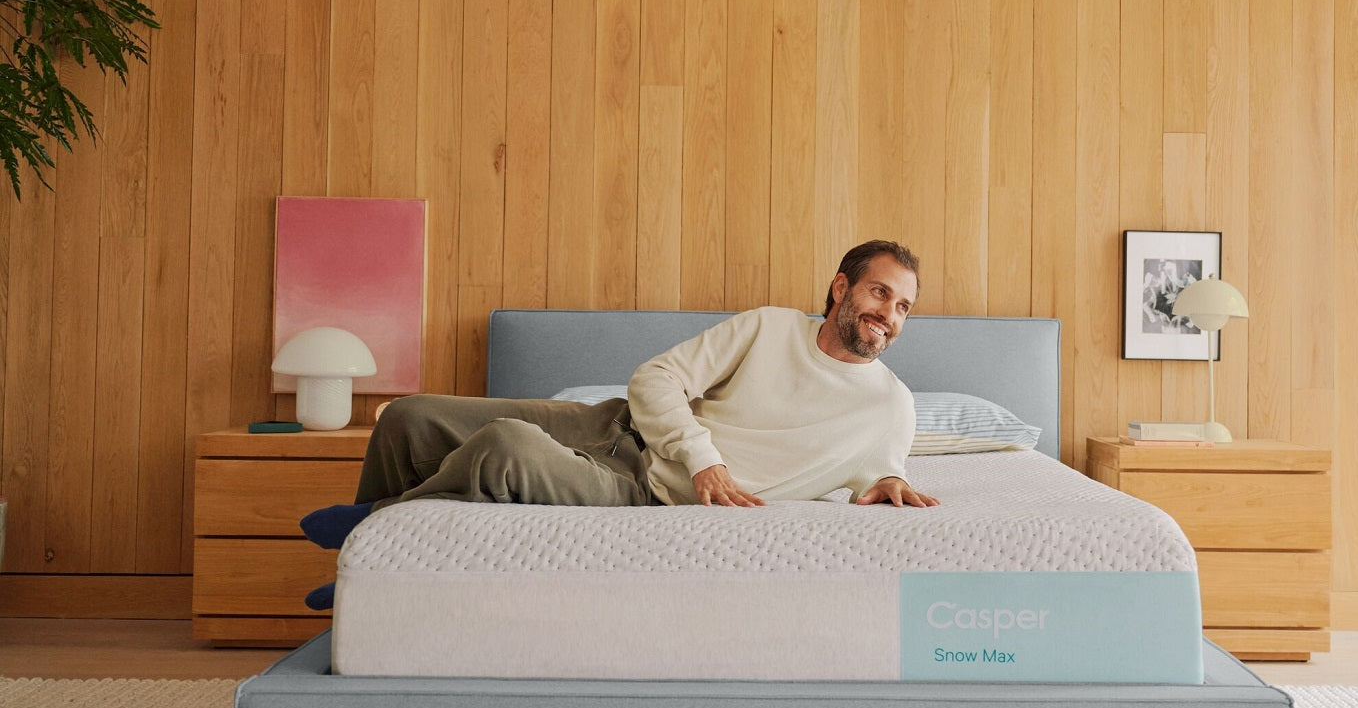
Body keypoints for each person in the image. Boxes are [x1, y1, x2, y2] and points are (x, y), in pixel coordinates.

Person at [299, 239, 941, 565]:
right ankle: (363, 589)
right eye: (880, 293)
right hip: (611, 424)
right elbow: (657, 379)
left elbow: (885, 471)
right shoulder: (770, 328)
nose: (889, 315)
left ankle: (372, 543)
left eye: (904, 305)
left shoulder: (890, 406)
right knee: (408, 416)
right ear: (840, 288)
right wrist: (703, 458)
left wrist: (889, 481)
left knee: (504, 444)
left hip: (638, 486)